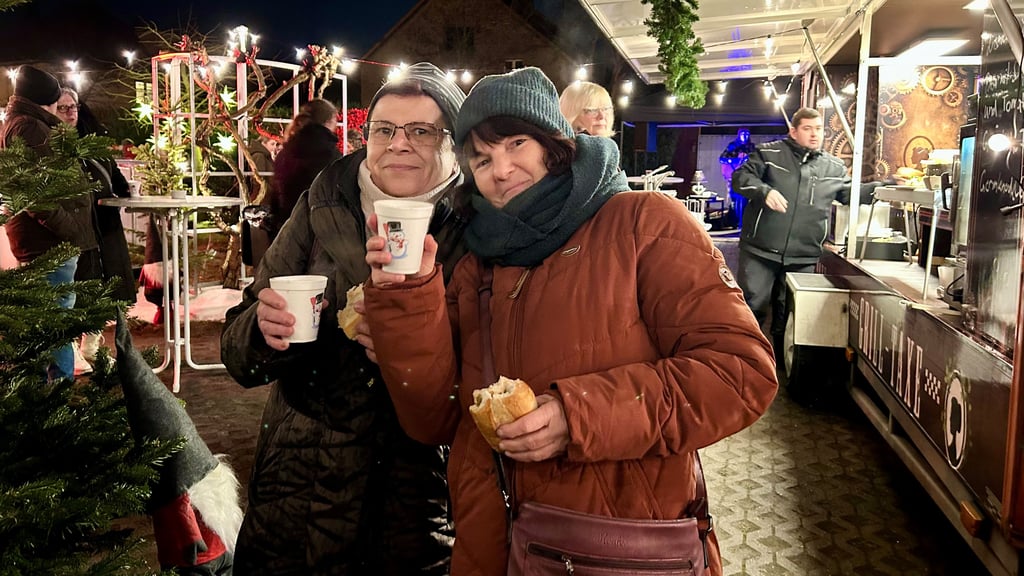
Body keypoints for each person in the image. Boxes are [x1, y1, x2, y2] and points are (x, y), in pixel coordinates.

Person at [363, 67, 778, 575]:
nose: (502, 169)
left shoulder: (643, 224)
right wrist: (407, 295)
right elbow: (433, 417)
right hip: (495, 548)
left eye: (517, 143)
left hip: (621, 550)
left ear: (554, 145)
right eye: (482, 158)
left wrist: (577, 417)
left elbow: (741, 374)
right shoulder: (477, 266)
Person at [220, 62, 469, 574]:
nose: (399, 143)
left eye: (423, 130)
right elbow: (238, 348)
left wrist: (420, 348)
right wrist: (262, 333)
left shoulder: (478, 224)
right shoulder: (321, 202)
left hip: (420, 492)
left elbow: (500, 363)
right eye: (384, 129)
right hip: (302, 482)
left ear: (454, 144)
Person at [731, 107, 873, 353]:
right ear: (793, 132)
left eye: (818, 129)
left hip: (803, 255)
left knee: (789, 313)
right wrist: (764, 191)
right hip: (760, 250)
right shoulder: (769, 153)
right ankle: (742, 358)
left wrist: (883, 188)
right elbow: (741, 178)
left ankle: (778, 366)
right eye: (807, 129)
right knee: (752, 305)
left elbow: (849, 193)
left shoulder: (834, 167)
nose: (814, 134)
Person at [0, 65, 98, 381]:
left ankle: (45, 395)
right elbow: (37, 193)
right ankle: (55, 398)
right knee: (56, 326)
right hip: (50, 243)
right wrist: (70, 228)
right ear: (49, 99)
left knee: (48, 322)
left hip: (46, 241)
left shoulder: (25, 124)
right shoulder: (30, 128)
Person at [54, 89, 136, 365]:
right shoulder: (52, 146)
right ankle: (73, 350)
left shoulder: (92, 145)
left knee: (105, 286)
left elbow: (115, 177)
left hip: (106, 227)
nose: (70, 112)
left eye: (73, 106)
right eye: (63, 107)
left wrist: (122, 192)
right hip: (76, 230)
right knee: (80, 286)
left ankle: (91, 345)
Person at [267, 99, 342, 239]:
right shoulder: (330, 154)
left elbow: (275, 196)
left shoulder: (285, 151)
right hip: (319, 235)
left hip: (285, 231)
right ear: (330, 121)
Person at [718, 127, 757, 225]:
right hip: (735, 176)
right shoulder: (733, 146)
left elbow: (757, 159)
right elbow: (722, 159)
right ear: (738, 135)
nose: (745, 136)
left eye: (747, 134)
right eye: (743, 134)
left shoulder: (751, 147)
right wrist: (735, 159)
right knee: (735, 200)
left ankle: (745, 223)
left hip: (748, 177)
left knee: (747, 200)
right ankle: (735, 221)